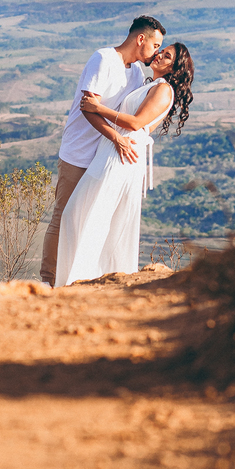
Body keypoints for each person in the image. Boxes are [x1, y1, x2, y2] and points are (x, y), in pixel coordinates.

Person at [53, 42, 194, 286]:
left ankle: (79, 281)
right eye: (161, 50)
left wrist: (99, 108)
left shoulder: (164, 90)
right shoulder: (151, 84)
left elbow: (136, 123)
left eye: (167, 54)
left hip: (120, 156)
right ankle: (78, 279)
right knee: (81, 215)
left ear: (175, 67)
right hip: (114, 150)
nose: (159, 54)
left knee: (86, 214)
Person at [39, 16, 165, 287]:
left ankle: (78, 277)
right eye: (155, 45)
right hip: (78, 153)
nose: (156, 52)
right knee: (64, 216)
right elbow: (88, 107)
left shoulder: (136, 73)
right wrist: (117, 139)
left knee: (89, 220)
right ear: (140, 39)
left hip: (103, 158)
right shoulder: (103, 59)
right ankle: (49, 282)